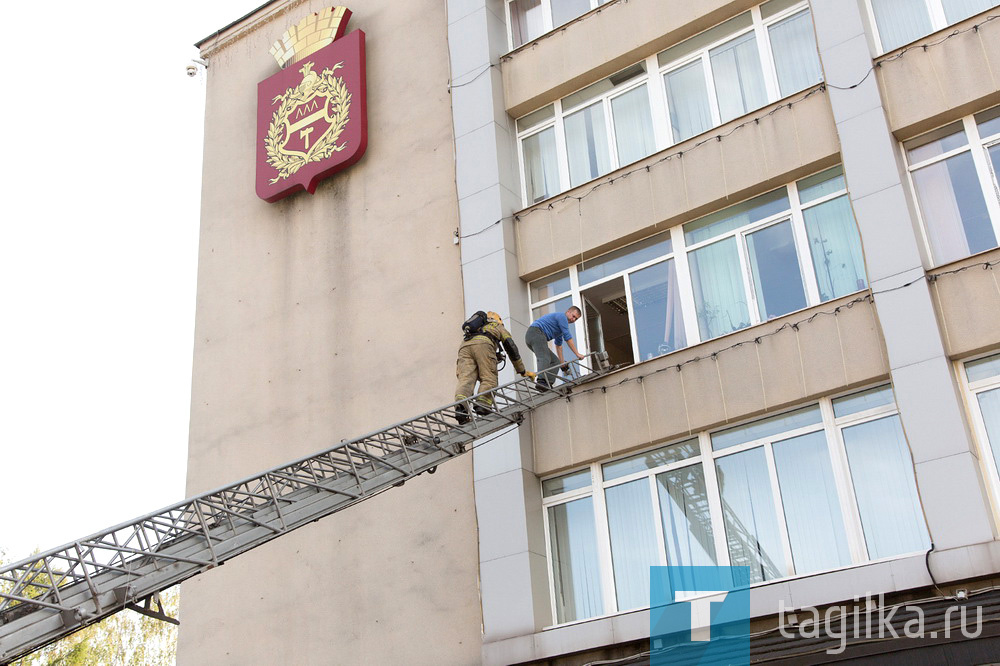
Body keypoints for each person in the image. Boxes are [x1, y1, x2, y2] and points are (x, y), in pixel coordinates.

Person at [454, 311, 533, 424]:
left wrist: (494, 355)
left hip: (464, 347)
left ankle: (461, 408)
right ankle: (483, 404)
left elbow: (476, 348)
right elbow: (511, 347)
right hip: (484, 345)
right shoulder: (497, 326)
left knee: (466, 379)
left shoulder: (476, 328)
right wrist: (521, 370)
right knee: (489, 378)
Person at [526, 306, 584, 389]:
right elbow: (568, 338)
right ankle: (541, 382)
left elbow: (559, 346)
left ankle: (547, 384)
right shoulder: (562, 317)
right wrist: (577, 354)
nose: (573, 319)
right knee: (545, 357)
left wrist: (562, 363)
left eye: (576, 319)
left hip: (534, 337)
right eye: (573, 316)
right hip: (535, 333)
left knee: (555, 362)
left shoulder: (560, 329)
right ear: (568, 312)